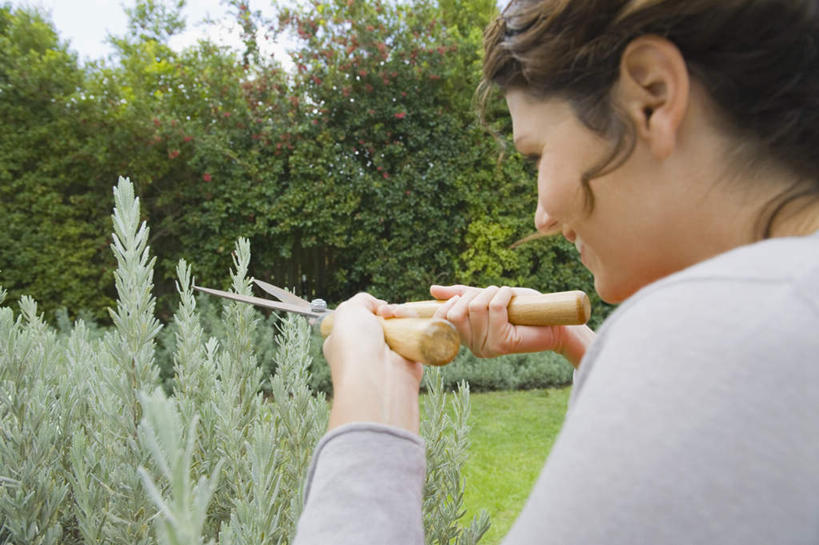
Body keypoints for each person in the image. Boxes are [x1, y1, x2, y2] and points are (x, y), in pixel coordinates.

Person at [294, 0, 819, 543]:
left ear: (652, 97)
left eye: (538, 155)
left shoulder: (702, 336)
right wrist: (577, 342)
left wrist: (369, 412)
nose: (543, 217)